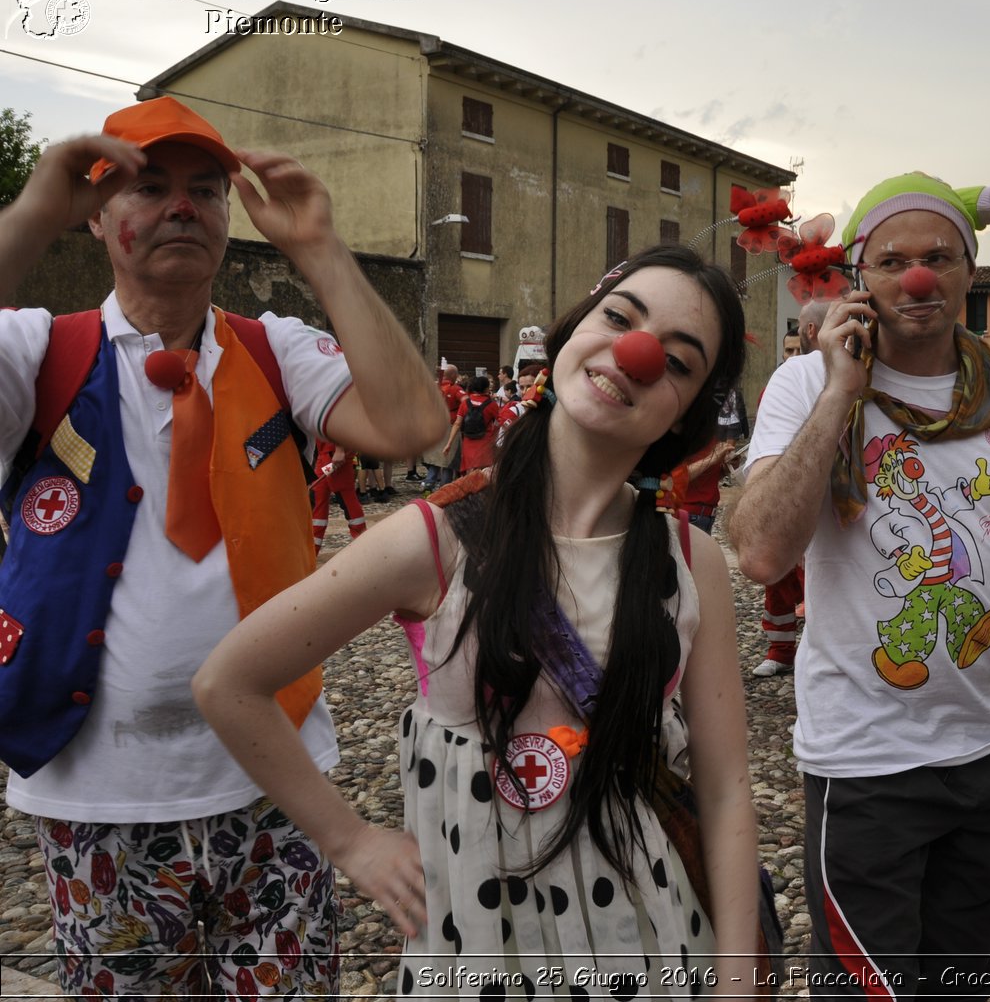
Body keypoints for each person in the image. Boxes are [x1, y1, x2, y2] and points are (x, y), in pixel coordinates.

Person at [196, 244, 761, 995]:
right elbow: (229, 682)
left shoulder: (694, 562)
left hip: (653, 944)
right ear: (570, 336)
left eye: (680, 362)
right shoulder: (433, 540)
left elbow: (723, 791)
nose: (637, 353)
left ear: (686, 412)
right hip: (481, 951)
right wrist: (350, 840)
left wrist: (736, 980)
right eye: (620, 318)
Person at [0, 97, 446, 997]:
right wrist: (34, 209)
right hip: (99, 798)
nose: (180, 206)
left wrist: (317, 246)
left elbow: (412, 423)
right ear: (97, 218)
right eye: (145, 186)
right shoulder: (38, 348)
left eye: (205, 189)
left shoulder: (273, 347)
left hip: (281, 788)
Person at [729, 171, 990, 998]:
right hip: (866, 763)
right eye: (892, 260)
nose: (917, 277)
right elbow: (761, 552)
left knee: (961, 984)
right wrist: (843, 391)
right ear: (859, 276)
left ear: (967, 268)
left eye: (938, 257)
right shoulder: (806, 385)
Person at [753, 299, 828, 678]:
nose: (791, 355)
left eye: (796, 345)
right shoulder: (785, 380)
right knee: (778, 578)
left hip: (826, 497)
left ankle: (823, 653)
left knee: (821, 579)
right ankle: (781, 650)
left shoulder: (851, 372)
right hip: (786, 486)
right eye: (787, 351)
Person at [311, 440, 365, 552]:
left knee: (346, 497)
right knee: (318, 496)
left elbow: (338, 423)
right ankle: (312, 549)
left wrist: (339, 449)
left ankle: (362, 543)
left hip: (332, 452)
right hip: (326, 452)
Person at [444, 373, 502, 474]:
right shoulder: (492, 405)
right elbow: (499, 423)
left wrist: (449, 443)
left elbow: (457, 423)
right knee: (482, 473)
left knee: (470, 471)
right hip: (485, 441)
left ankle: (470, 488)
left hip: (468, 441)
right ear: (486, 389)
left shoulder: (465, 403)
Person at [423, 363, 465, 492]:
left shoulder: (434, 387)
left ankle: (428, 486)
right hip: (450, 426)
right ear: (454, 376)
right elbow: (465, 401)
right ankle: (444, 490)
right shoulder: (455, 389)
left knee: (435, 460)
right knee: (447, 461)